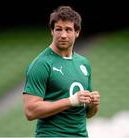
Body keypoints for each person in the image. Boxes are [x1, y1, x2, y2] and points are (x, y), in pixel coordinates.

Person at [22, 5, 100, 137]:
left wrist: (93, 105)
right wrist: (71, 101)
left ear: (77, 32)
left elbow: (87, 114)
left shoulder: (83, 63)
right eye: (58, 29)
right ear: (52, 31)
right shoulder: (41, 64)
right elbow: (30, 111)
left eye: (68, 29)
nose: (63, 35)